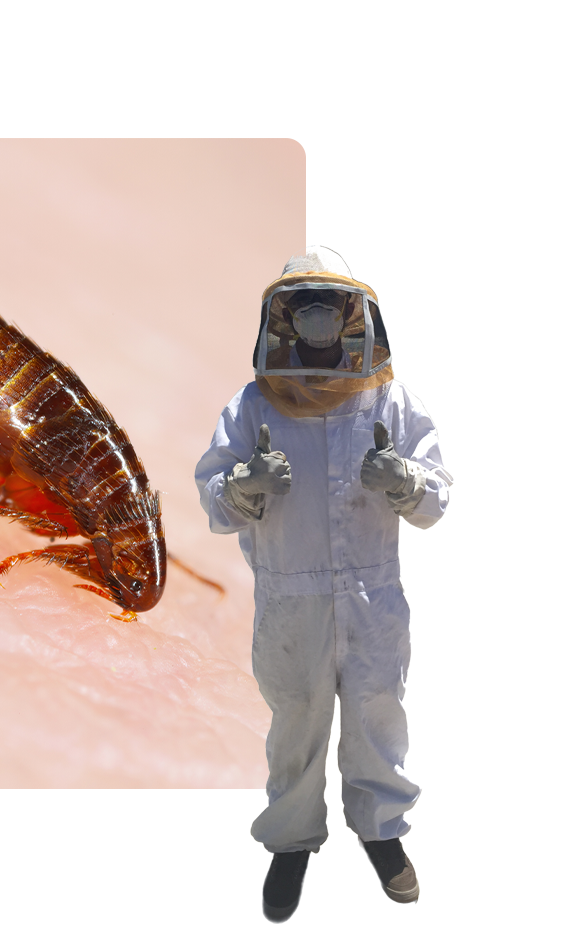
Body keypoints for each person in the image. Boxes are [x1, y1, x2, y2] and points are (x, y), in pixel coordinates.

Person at [195, 246, 448, 922]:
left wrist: (404, 481)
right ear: (281, 317)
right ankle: (293, 841)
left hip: (372, 597)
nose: (315, 319)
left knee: (376, 716)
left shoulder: (389, 398)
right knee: (296, 726)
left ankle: (381, 831)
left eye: (327, 305)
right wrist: (243, 486)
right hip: (291, 599)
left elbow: (438, 497)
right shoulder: (253, 403)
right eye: (302, 306)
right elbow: (213, 499)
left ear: (352, 315)